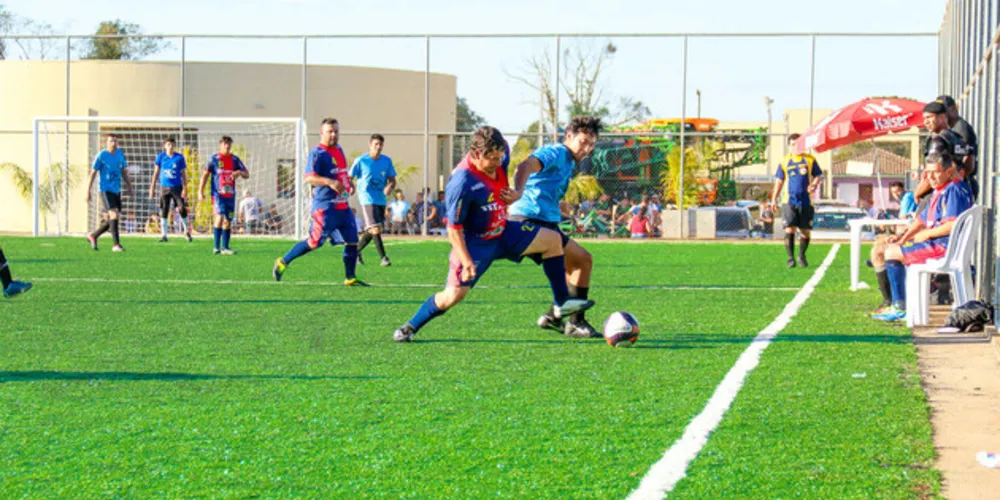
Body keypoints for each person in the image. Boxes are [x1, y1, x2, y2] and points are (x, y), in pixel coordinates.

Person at [392, 126, 594, 343]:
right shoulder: (462, 183)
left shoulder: (501, 153)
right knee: (452, 296)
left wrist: (517, 191)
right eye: (493, 159)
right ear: (476, 155)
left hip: (504, 231)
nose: (499, 164)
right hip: (475, 244)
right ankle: (409, 327)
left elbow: (520, 168)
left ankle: (560, 302)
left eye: (500, 157)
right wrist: (467, 261)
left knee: (553, 240)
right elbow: (453, 229)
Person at [508, 116, 602, 338]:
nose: (587, 149)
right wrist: (518, 191)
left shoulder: (567, 160)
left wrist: (557, 205)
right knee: (583, 261)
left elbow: (540, 184)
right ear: (569, 136)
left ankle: (554, 317)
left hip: (542, 221)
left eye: (591, 145)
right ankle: (574, 322)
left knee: (574, 267)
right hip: (529, 221)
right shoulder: (558, 152)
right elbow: (525, 166)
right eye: (583, 142)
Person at [871, 151, 973, 322]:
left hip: (944, 247)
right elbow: (920, 221)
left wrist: (926, 234)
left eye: (935, 172)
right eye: (927, 173)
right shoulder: (939, 191)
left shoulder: (953, 190)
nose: (930, 177)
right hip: (937, 244)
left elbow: (952, 224)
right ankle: (895, 302)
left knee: (890, 253)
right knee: (887, 247)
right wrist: (903, 238)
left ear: (948, 172)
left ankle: (900, 307)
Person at [273, 118, 367, 286]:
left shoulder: (339, 149)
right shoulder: (317, 153)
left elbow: (341, 173)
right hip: (325, 207)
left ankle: (350, 277)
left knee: (352, 240)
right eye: (330, 131)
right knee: (314, 242)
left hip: (342, 206)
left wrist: (348, 184)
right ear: (321, 133)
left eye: (336, 131)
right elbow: (309, 178)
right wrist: (330, 182)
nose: (334, 135)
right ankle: (284, 261)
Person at [770, 133, 823, 268]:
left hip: (806, 202)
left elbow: (818, 175)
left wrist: (814, 185)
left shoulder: (810, 159)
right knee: (790, 229)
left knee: (805, 232)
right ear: (789, 145)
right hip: (789, 201)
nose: (795, 147)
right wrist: (773, 199)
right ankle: (790, 258)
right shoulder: (785, 161)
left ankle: (802, 255)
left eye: (798, 144)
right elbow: (779, 180)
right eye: (793, 144)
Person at [351, 134, 397, 267]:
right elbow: (349, 177)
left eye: (380, 144)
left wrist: (389, 186)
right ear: (370, 144)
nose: (378, 147)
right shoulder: (361, 160)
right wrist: (351, 186)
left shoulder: (386, 161)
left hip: (380, 199)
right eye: (375, 144)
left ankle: (355, 252)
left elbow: (392, 179)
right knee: (375, 228)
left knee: (372, 230)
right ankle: (384, 258)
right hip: (366, 198)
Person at [198, 136, 249, 255]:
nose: (227, 146)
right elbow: (205, 175)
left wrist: (239, 173)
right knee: (219, 217)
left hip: (230, 196)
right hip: (217, 195)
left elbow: (247, 174)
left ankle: (225, 247)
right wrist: (200, 191)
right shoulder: (213, 159)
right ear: (220, 145)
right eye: (225, 144)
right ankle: (216, 247)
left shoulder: (235, 160)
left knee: (228, 221)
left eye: (229, 144)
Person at [85, 134, 134, 252]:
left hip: (117, 190)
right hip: (105, 190)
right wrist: (88, 191)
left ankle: (93, 235)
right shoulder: (102, 155)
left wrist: (130, 187)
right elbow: (93, 173)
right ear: (106, 143)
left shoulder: (120, 154)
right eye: (111, 141)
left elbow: (124, 171)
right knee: (114, 215)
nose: (114, 143)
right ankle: (116, 245)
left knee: (113, 219)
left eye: (115, 141)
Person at [917, 101, 970, 202]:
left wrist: (917, 193)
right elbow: (970, 167)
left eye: (929, 117)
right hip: (958, 190)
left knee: (921, 218)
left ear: (942, 117)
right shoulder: (958, 138)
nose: (926, 122)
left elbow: (934, 174)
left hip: (939, 194)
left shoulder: (938, 141)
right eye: (924, 118)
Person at [148, 137, 192, 243]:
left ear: (174, 145)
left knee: (181, 208)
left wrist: (185, 188)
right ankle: (164, 235)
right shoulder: (161, 157)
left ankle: (187, 231)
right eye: (168, 144)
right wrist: (152, 188)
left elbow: (183, 174)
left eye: (172, 144)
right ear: (165, 146)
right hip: (164, 188)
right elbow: (156, 173)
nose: (170, 146)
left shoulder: (179, 157)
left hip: (177, 187)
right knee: (164, 210)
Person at [938, 95, 979, 199]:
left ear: (954, 109)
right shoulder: (953, 128)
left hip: (963, 183)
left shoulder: (961, 129)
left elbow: (965, 162)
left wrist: (956, 180)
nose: (942, 115)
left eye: (945, 111)